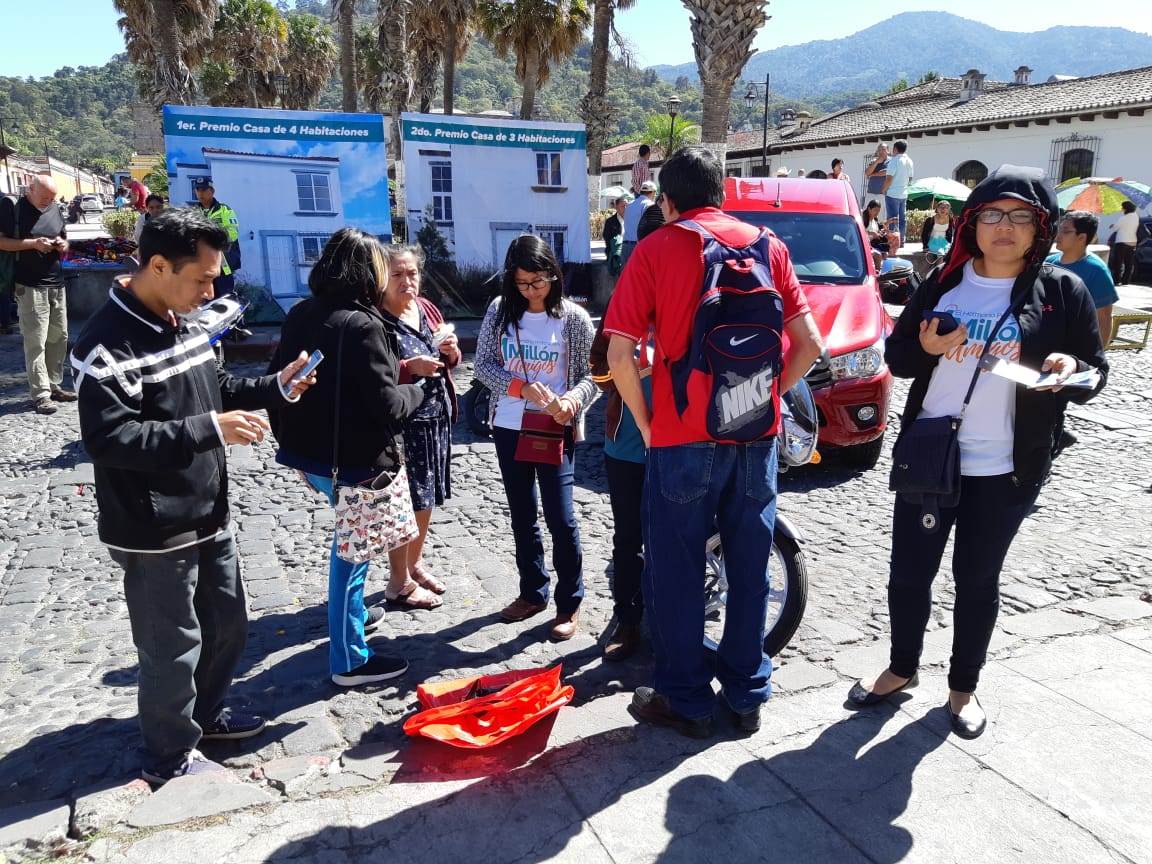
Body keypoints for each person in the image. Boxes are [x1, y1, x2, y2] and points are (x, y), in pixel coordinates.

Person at [847, 165, 1108, 740]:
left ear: (1041, 227)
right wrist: (925, 346)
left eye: (1020, 216)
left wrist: (1069, 367)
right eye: (992, 214)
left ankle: (962, 689)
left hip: (1007, 467)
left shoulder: (1061, 291)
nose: (1004, 226)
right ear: (972, 223)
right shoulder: (943, 282)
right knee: (908, 575)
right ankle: (901, 667)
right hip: (932, 455)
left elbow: (1095, 371)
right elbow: (899, 359)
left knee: (977, 579)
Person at [70, 209, 316, 784]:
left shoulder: (184, 319)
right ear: (159, 266)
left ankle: (206, 716)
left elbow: (215, 388)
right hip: (153, 526)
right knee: (171, 644)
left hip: (209, 509)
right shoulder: (105, 344)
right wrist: (210, 429)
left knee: (228, 624)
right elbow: (109, 440)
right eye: (203, 279)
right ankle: (169, 753)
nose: (212, 291)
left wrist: (275, 388)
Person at [604, 147, 824, 737]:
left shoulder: (655, 248)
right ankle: (747, 695)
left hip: (681, 437)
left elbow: (619, 356)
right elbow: (810, 344)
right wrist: (763, 394)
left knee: (675, 572)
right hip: (755, 435)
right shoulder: (768, 246)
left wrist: (648, 425)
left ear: (666, 201)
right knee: (749, 567)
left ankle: (686, 701)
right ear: (722, 195)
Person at [269, 228, 425, 686]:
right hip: (352, 463)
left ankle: (352, 617)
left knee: (351, 550)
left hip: (312, 456)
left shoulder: (302, 311)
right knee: (351, 560)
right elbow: (389, 406)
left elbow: (279, 382)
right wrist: (418, 389)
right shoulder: (363, 325)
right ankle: (350, 659)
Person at [474, 235, 597, 642]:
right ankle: (532, 592)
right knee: (522, 514)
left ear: (553, 275)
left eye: (539, 281)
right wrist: (520, 388)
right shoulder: (499, 311)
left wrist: (572, 401)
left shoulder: (574, 318)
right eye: (522, 283)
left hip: (553, 427)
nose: (531, 290)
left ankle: (569, 601)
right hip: (509, 425)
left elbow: (591, 376)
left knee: (561, 517)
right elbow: (483, 366)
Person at [377, 243, 462, 609]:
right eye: (396, 274)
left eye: (412, 273)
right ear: (381, 278)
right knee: (403, 501)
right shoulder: (377, 318)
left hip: (435, 417)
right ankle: (398, 581)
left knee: (426, 498)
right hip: (402, 424)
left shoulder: (425, 308)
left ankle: (413, 565)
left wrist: (451, 352)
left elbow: (448, 360)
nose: (406, 281)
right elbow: (373, 372)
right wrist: (408, 368)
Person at [0, 175, 74, 414]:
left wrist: (62, 244)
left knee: (59, 337)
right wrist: (32, 244)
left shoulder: (54, 208)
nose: (48, 202)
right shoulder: (13, 209)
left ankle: (54, 385)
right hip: (29, 284)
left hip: (56, 282)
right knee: (36, 341)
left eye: (52, 198)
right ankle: (41, 394)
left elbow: (65, 239)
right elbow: (2, 242)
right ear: (30, 190)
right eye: (44, 198)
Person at [1047, 210, 1119, 341]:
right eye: (1059, 229)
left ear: (1081, 237)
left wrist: (1099, 351)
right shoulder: (1048, 263)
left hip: (1076, 344)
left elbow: (1104, 318)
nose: (1058, 235)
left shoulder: (1097, 271)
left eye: (1065, 231)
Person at [192, 177, 249, 339]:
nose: (200, 193)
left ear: (212, 191)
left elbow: (232, 234)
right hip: (202, 266)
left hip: (223, 264)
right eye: (198, 190)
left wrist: (208, 237)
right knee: (205, 299)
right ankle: (208, 332)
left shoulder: (224, 210)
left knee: (226, 297)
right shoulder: (192, 212)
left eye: (204, 190)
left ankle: (236, 329)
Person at [882, 140, 914, 242]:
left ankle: (893, 241)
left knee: (892, 218)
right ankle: (902, 240)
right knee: (902, 219)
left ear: (895, 149)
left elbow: (889, 178)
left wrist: (884, 189)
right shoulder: (910, 161)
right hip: (903, 193)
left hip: (892, 193)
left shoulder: (894, 161)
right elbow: (910, 178)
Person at [622, 181, 657, 269]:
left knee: (626, 276)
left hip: (626, 246)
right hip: (639, 247)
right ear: (652, 193)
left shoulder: (629, 205)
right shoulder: (649, 205)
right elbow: (650, 227)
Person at [1110, 200, 1139, 285]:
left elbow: (1115, 228)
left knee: (1118, 262)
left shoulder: (1123, 218)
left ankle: (1116, 280)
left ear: (1126, 209)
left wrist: (1112, 226)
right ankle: (1126, 280)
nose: (1122, 209)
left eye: (1122, 208)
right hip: (1133, 241)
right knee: (1129, 263)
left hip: (1122, 241)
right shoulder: (1136, 216)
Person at [602, 195, 628, 278]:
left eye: (627, 206)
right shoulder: (610, 221)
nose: (626, 208)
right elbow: (607, 237)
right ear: (616, 207)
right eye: (623, 206)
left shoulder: (631, 220)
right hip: (615, 250)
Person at [865, 144, 890, 219]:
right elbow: (867, 172)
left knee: (880, 216)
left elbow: (886, 172)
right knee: (867, 214)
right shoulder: (873, 161)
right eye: (879, 150)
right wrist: (876, 162)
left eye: (883, 149)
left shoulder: (891, 161)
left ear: (888, 151)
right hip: (870, 193)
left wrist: (872, 175)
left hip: (882, 194)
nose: (881, 152)